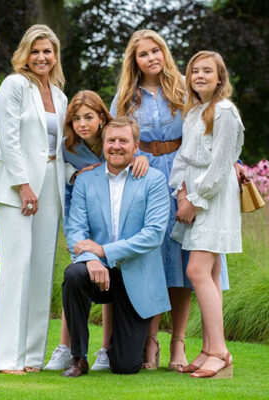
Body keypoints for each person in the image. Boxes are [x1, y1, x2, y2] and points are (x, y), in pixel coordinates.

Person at [110, 29, 234, 370]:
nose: (151, 57)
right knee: (152, 262)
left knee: (183, 265)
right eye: (143, 53)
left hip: (185, 180)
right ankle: (150, 343)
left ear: (164, 53)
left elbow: (210, 132)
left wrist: (232, 164)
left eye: (156, 51)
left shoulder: (184, 86)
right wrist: (135, 153)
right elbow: (114, 136)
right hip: (143, 178)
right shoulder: (125, 96)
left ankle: (178, 343)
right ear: (133, 60)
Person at [0, 24, 73, 374]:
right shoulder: (14, 85)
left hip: (50, 185)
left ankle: (33, 357)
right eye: (35, 51)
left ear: (55, 56)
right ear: (25, 53)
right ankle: (7, 359)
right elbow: (8, 137)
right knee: (16, 268)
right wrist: (23, 185)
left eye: (47, 51)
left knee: (41, 271)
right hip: (15, 187)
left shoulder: (60, 94)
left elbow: (59, 150)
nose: (41, 57)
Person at [45, 91, 149, 371]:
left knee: (109, 273)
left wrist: (144, 160)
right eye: (76, 119)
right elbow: (58, 166)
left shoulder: (114, 137)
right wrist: (73, 175)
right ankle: (67, 347)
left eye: (88, 117)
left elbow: (133, 151)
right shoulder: (69, 146)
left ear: (102, 118)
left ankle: (105, 348)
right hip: (80, 207)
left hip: (111, 214)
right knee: (79, 273)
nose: (82, 124)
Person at [61, 116, 171, 377]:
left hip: (136, 275)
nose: (116, 146)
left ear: (135, 147)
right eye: (111, 140)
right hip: (98, 273)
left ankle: (119, 347)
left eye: (124, 141)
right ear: (103, 145)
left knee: (125, 366)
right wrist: (91, 258)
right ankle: (79, 357)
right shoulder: (86, 181)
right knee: (74, 275)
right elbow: (75, 230)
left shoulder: (153, 180)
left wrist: (104, 251)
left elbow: (154, 234)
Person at [169, 50, 244, 379]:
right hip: (195, 194)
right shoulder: (193, 112)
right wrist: (180, 192)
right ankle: (209, 348)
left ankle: (220, 352)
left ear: (219, 78)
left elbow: (221, 164)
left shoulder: (224, 111)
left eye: (207, 71)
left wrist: (196, 200)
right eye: (194, 71)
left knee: (196, 270)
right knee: (209, 274)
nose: (199, 76)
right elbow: (183, 158)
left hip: (213, 198)